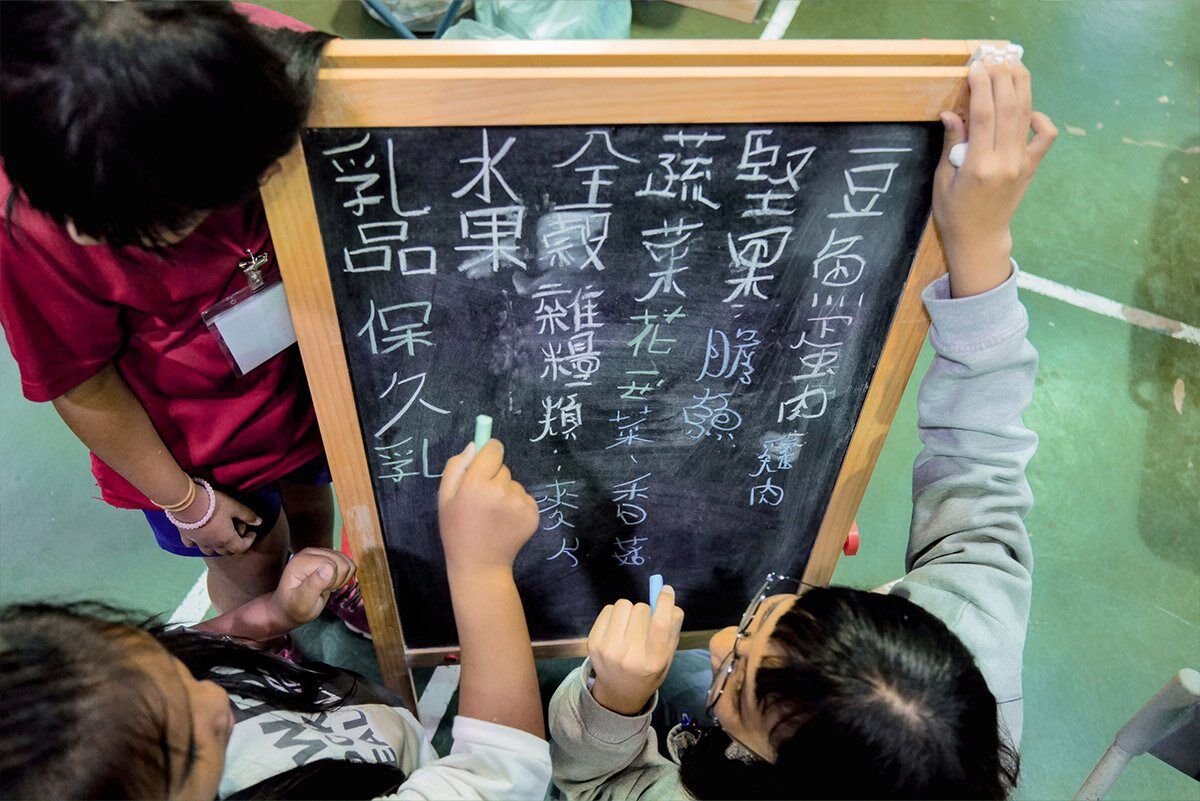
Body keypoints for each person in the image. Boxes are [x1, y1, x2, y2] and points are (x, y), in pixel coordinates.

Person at [548, 55, 1059, 799]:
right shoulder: (967, 639)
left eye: (738, 683)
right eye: (770, 621)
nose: (720, 638)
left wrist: (615, 703)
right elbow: (982, 467)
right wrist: (982, 247)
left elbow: (597, 785)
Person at [0, 1, 366, 630]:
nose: (87, 241)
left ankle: (323, 590)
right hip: (197, 446)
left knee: (313, 506)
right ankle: (267, 636)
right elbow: (81, 382)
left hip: (309, 380)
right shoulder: (33, 224)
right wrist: (187, 503)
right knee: (249, 556)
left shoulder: (269, 68)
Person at [0, 440, 551, 801]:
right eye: (201, 740)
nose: (219, 703)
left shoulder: (127, 697)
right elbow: (500, 773)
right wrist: (480, 569)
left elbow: (205, 644)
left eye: (180, 675)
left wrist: (273, 614)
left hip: (366, 730)